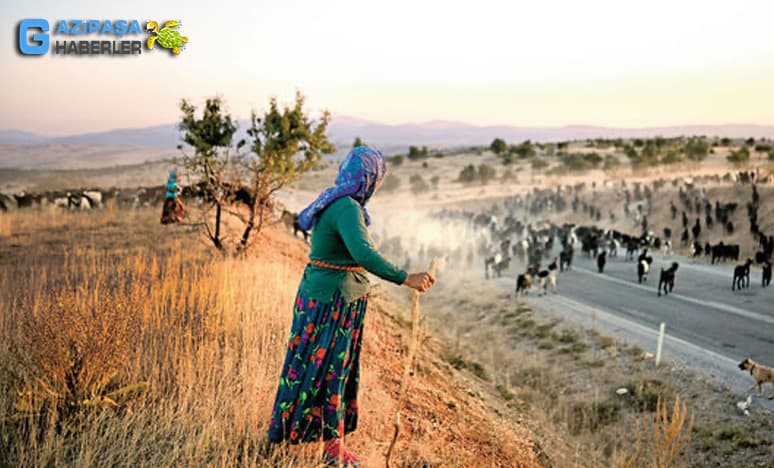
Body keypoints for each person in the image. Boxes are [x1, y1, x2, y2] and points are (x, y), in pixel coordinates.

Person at [267, 146, 435, 466]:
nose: (378, 184)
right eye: (378, 178)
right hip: (334, 303)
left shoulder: (336, 201)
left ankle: (298, 433)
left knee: (310, 367)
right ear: (368, 179)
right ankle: (332, 450)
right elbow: (363, 254)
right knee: (332, 373)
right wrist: (405, 277)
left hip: (324, 297)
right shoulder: (347, 208)